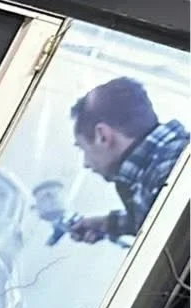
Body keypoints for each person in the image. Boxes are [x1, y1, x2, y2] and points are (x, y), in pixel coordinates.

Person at [65, 77, 188, 243]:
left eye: (83, 149)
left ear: (103, 136)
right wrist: (106, 224)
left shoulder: (171, 174)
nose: (86, 163)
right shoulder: (163, 171)